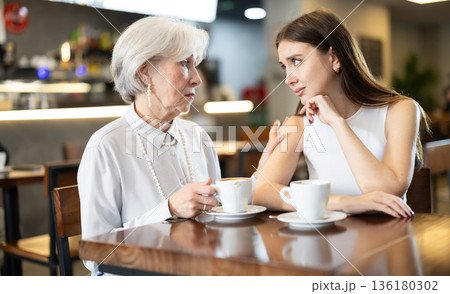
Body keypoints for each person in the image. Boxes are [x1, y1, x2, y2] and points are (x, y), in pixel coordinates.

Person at [78, 16, 283, 274]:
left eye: (195, 64)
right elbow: (96, 255)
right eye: (185, 64)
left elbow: (215, 215)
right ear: (145, 73)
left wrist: (260, 176)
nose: (197, 78)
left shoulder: (197, 136)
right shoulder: (106, 146)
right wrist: (169, 209)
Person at [253, 10, 428, 218]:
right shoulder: (299, 124)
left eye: (297, 61)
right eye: (285, 66)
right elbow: (262, 193)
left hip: (388, 239)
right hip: (326, 241)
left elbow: (386, 191)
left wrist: (337, 122)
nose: (288, 78)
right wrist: (345, 203)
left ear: (334, 58)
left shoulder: (400, 110)